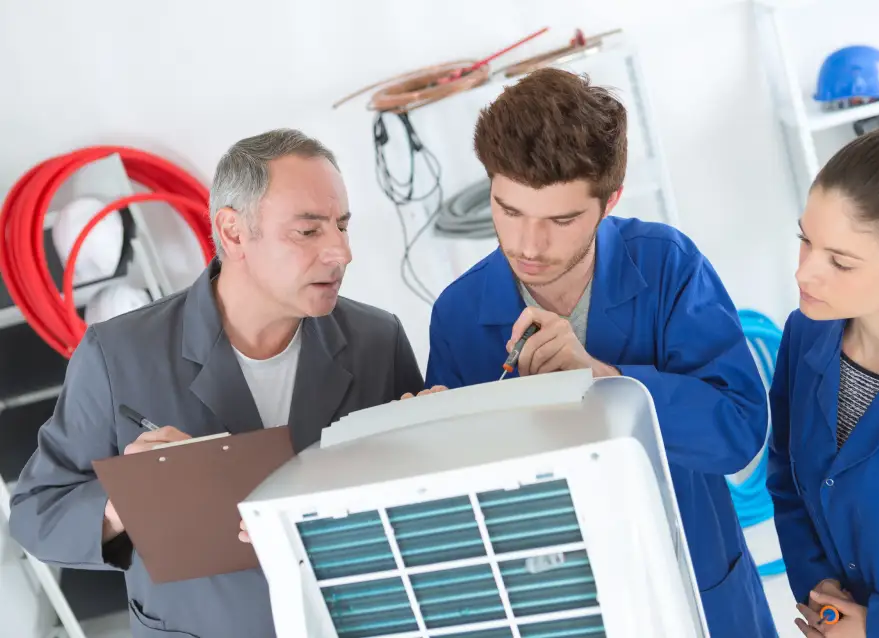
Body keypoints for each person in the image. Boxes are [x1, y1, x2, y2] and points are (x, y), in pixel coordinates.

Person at [9, 129, 424, 638]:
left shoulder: (377, 340)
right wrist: (125, 502)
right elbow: (36, 515)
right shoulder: (118, 355)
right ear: (232, 232)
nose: (341, 252)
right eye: (309, 231)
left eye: (342, 226)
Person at [417, 68, 777, 637]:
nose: (528, 246)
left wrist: (605, 377)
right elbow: (466, 509)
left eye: (561, 220)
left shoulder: (668, 266)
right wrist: (430, 440)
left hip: (695, 586)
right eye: (508, 211)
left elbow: (738, 433)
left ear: (609, 201)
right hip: (554, 601)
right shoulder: (458, 314)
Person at [767, 122, 879, 637]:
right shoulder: (805, 334)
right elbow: (788, 479)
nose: (804, 274)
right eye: (806, 240)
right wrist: (823, 598)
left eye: (840, 262)